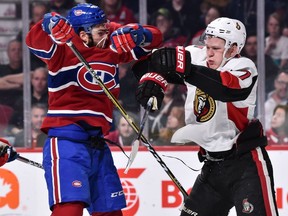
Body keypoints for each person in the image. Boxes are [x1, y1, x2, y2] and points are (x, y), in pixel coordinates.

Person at [25, 3, 163, 216]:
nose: (106, 34)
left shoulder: (109, 41)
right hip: (66, 143)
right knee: (69, 209)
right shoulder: (62, 46)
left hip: (98, 145)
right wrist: (47, 22)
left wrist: (139, 34)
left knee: (110, 212)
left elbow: (156, 39)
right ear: (83, 34)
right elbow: (33, 40)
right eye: (100, 30)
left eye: (106, 28)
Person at [133, 17, 278, 215]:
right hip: (212, 168)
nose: (208, 53)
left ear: (234, 49)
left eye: (216, 49)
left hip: (245, 166)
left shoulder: (244, 67)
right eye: (207, 46)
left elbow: (225, 88)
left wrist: (186, 69)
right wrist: (152, 79)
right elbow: (146, 65)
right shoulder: (196, 55)